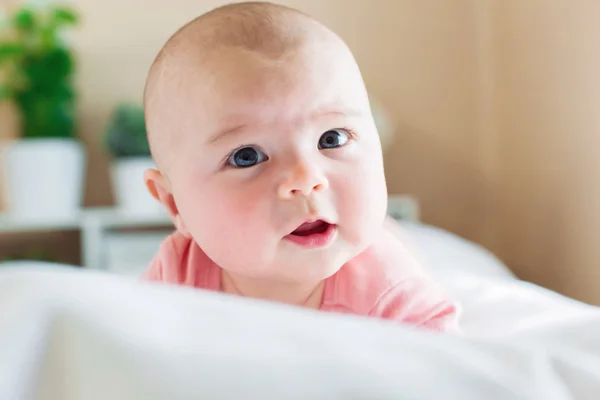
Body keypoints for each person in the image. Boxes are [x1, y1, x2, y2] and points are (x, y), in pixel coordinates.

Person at [141, 1, 459, 331]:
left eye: (332, 138)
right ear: (174, 203)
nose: (306, 179)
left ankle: (393, 231)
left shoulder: (389, 292)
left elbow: (442, 368)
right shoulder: (175, 280)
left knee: (395, 245)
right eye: (246, 156)